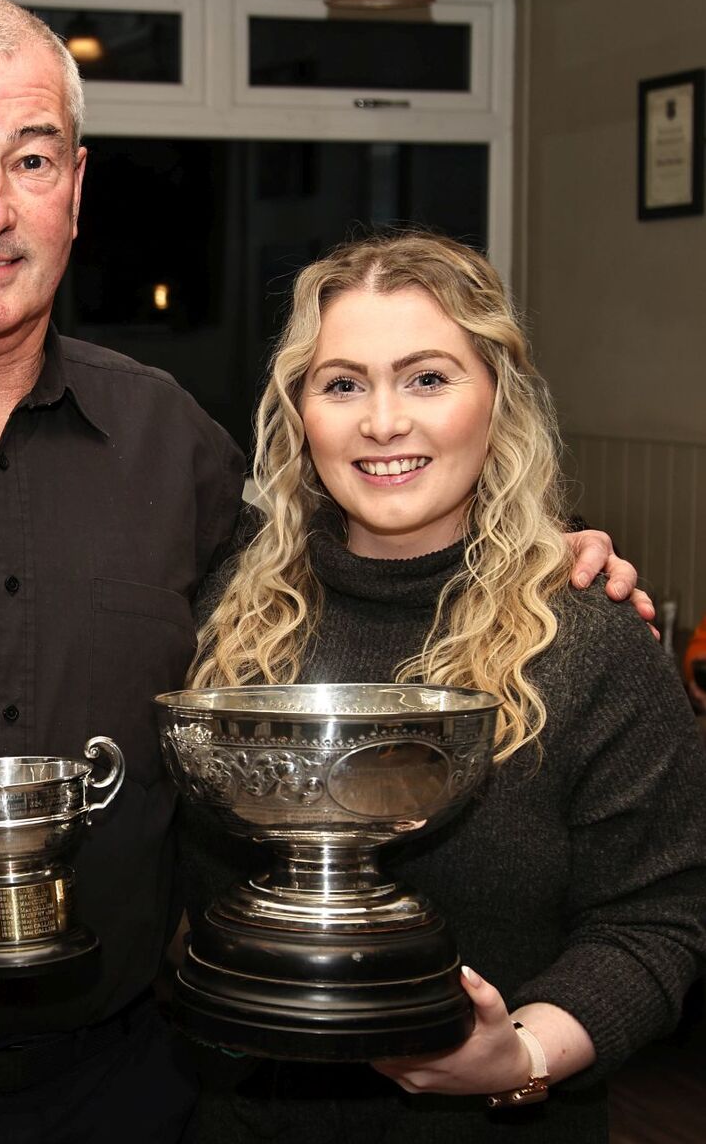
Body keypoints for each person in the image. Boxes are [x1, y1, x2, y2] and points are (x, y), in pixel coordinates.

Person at [0, 0, 642, 1144]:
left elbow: (334, 593)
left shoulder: (173, 445)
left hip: (135, 1082)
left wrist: (515, 559)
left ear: (75, 188)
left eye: (30, 158)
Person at [181, 232, 706, 1144]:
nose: (384, 422)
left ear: (497, 398)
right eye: (342, 383)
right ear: (300, 411)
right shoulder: (228, 620)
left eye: (428, 378)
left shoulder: (589, 641)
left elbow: (661, 918)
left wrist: (523, 1059)